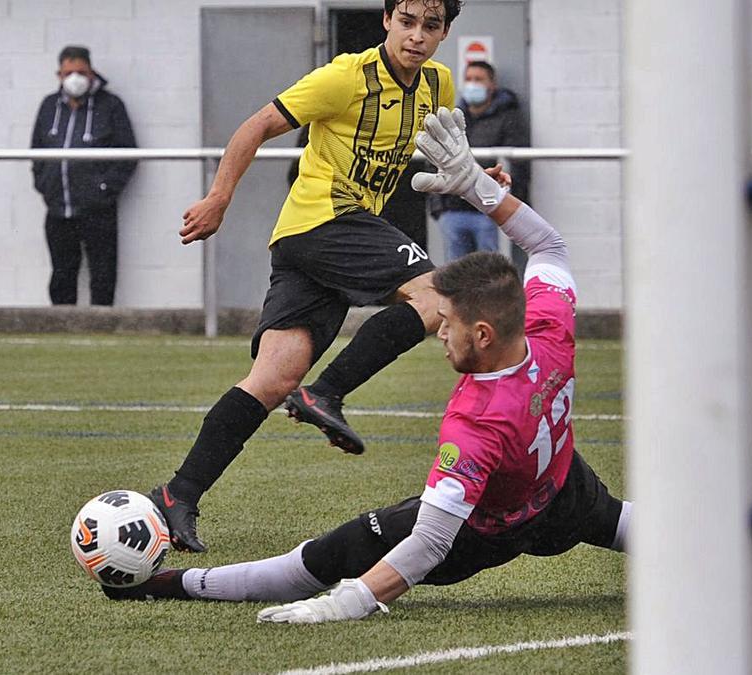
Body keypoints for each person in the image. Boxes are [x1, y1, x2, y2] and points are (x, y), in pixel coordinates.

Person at [104, 108, 631, 623]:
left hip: (488, 530)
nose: (438, 332)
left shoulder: (476, 419)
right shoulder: (548, 326)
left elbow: (428, 544)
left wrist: (348, 600)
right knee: (626, 525)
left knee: (322, 559)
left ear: (484, 334)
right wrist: (475, 185)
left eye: (447, 323)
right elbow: (549, 246)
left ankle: (168, 583)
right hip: (562, 490)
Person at [149, 0, 485, 554]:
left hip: (306, 241)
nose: (416, 36)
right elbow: (256, 126)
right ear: (386, 20)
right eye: (407, 21)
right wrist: (218, 198)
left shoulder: (439, 86)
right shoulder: (344, 77)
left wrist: (473, 176)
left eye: (430, 26)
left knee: (272, 377)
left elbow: (444, 160)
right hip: (326, 221)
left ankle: (176, 496)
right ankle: (326, 393)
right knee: (441, 297)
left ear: (445, 31)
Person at [30, 45, 137, 306]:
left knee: (103, 273)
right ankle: (60, 331)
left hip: (98, 210)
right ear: (59, 75)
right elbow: (36, 152)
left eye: (80, 71)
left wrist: (103, 189)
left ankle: (103, 332)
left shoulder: (110, 105)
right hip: (58, 209)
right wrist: (45, 185)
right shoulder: (48, 106)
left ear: (91, 74)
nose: (74, 78)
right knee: (62, 274)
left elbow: (128, 154)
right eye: (68, 72)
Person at [429, 61, 530, 261]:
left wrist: (506, 208)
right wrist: (439, 208)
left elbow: (518, 167)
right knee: (455, 275)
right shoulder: (454, 117)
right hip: (453, 210)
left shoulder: (508, 118)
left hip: (489, 211)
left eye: (478, 79)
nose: (472, 84)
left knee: (491, 273)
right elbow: (434, 159)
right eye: (468, 79)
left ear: (492, 85)